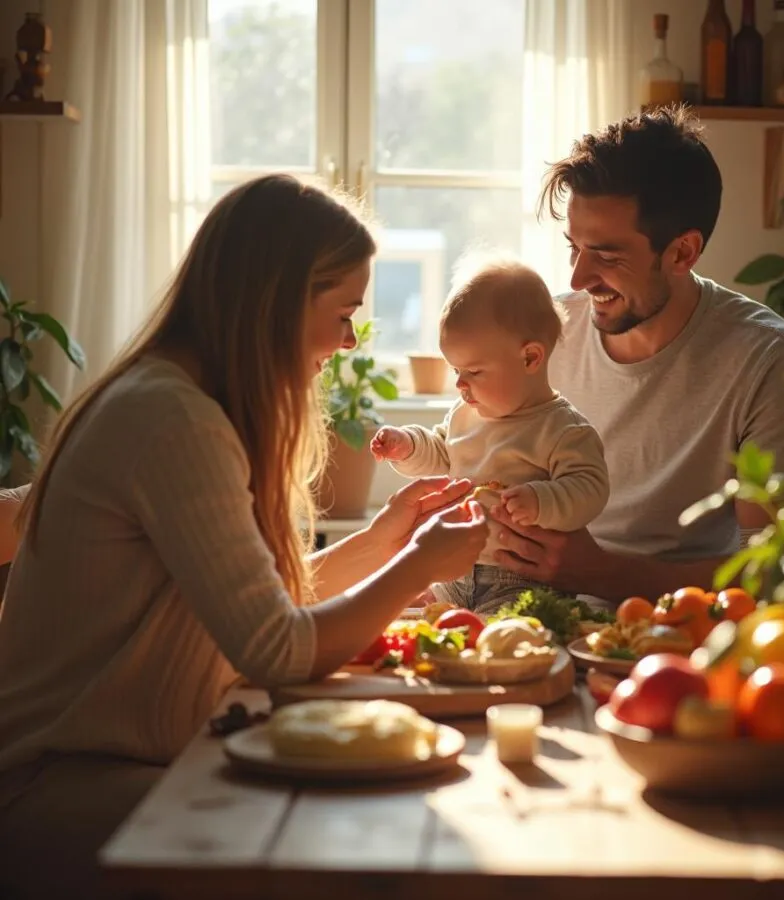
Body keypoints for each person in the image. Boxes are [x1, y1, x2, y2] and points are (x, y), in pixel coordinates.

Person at [0, 176, 488, 900]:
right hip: (54, 789)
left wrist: (388, 536)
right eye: (344, 311)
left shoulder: (178, 400)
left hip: (122, 765)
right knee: (355, 846)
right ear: (279, 300)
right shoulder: (173, 420)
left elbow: (265, 607)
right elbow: (279, 649)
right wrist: (417, 568)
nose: (349, 340)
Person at [489, 105, 784, 604]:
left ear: (683, 253)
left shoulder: (766, 358)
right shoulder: (547, 331)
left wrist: (604, 576)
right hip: (526, 617)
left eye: (606, 254)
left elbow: (777, 571)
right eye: (573, 248)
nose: (578, 279)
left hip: (675, 634)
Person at [370, 253, 608, 615]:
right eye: (456, 370)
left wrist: (541, 500)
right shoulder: (466, 413)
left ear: (530, 358)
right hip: (453, 571)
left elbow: (590, 488)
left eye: (475, 371)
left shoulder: (563, 429)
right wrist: (408, 445)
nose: (461, 383)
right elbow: (440, 451)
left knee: (506, 643)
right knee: (417, 625)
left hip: (521, 577)